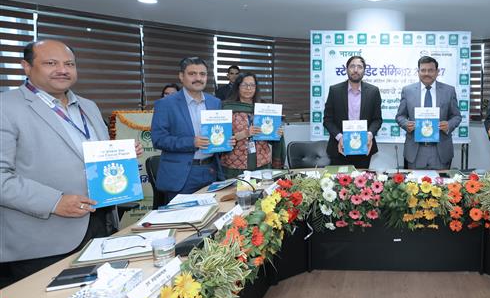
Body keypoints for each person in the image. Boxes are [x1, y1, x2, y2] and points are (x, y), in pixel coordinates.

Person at [0, 40, 142, 284]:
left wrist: (120, 154)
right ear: (26, 66)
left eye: (69, 64)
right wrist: (54, 202)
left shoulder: (88, 106)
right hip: (44, 239)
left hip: (101, 223)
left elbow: (88, 156)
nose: (62, 70)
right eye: (51, 63)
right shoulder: (6, 107)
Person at [151, 56, 228, 201]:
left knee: (211, 213)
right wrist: (191, 142)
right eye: (192, 74)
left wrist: (226, 141)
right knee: (180, 215)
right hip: (181, 175)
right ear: (181, 76)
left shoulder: (215, 102)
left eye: (202, 74)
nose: (198, 78)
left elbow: (218, 133)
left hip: (210, 171)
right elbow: (158, 139)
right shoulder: (165, 104)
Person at [395, 56, 462, 169]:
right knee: (414, 181)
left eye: (430, 70)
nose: (426, 73)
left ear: (437, 72)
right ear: (418, 72)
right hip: (415, 150)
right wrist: (406, 124)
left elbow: (456, 116)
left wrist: (449, 125)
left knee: (441, 180)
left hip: (440, 150)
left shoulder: (449, 91)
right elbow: (400, 116)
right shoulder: (407, 90)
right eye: (423, 70)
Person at [219, 72, 286, 178]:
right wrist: (245, 133)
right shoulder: (227, 108)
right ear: (238, 86)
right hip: (234, 166)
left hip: (262, 165)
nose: (248, 88)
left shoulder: (264, 108)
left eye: (252, 85)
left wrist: (276, 132)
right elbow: (221, 140)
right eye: (244, 85)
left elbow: (271, 139)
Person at [323, 55, 382, 169]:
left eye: (359, 67)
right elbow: (327, 120)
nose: (355, 70)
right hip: (339, 149)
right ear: (347, 69)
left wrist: (369, 135)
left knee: (362, 180)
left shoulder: (373, 91)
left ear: (364, 70)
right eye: (352, 66)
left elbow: (377, 120)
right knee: (338, 180)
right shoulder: (335, 91)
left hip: (364, 149)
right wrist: (340, 137)